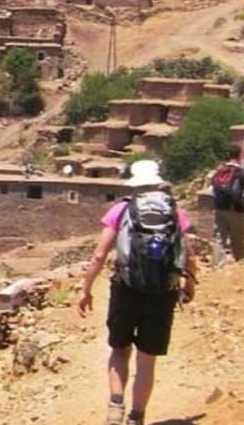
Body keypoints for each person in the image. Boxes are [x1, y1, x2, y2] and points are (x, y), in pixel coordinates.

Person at [77, 160, 196, 425]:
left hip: (126, 288)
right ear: (157, 182)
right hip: (163, 291)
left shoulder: (121, 209)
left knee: (120, 350)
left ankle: (115, 408)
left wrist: (85, 289)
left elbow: (99, 254)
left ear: (134, 185)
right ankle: (136, 417)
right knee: (147, 359)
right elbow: (189, 255)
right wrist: (190, 284)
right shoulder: (175, 211)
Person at [210, 145, 244, 264]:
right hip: (236, 210)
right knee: (238, 239)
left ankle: (216, 266)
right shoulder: (240, 172)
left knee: (219, 238)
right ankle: (240, 265)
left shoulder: (219, 171)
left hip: (220, 209)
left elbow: (212, 189)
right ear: (240, 155)